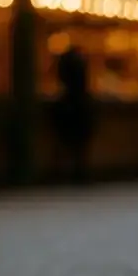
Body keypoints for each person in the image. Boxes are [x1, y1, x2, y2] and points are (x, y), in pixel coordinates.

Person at [52, 47, 93, 184]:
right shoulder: (83, 94)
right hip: (80, 112)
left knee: (69, 145)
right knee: (79, 147)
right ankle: (80, 172)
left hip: (71, 111)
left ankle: (70, 172)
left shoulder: (66, 97)